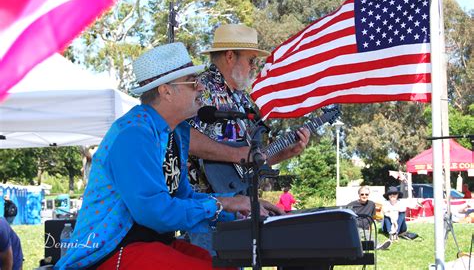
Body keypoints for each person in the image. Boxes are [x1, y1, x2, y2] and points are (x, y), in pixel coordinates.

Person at [55, 42, 283, 270]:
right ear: (166, 91)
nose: (201, 87)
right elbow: (154, 212)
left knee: (226, 265)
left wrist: (242, 205)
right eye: (193, 82)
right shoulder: (134, 134)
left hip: (149, 243)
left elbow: (181, 197)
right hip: (109, 250)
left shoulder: (177, 132)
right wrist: (224, 204)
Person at [187, 24, 310, 252]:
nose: (254, 67)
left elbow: (249, 162)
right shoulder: (200, 88)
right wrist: (237, 154)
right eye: (251, 60)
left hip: (242, 207)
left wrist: (285, 153)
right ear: (230, 56)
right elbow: (185, 137)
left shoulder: (243, 100)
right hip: (205, 207)